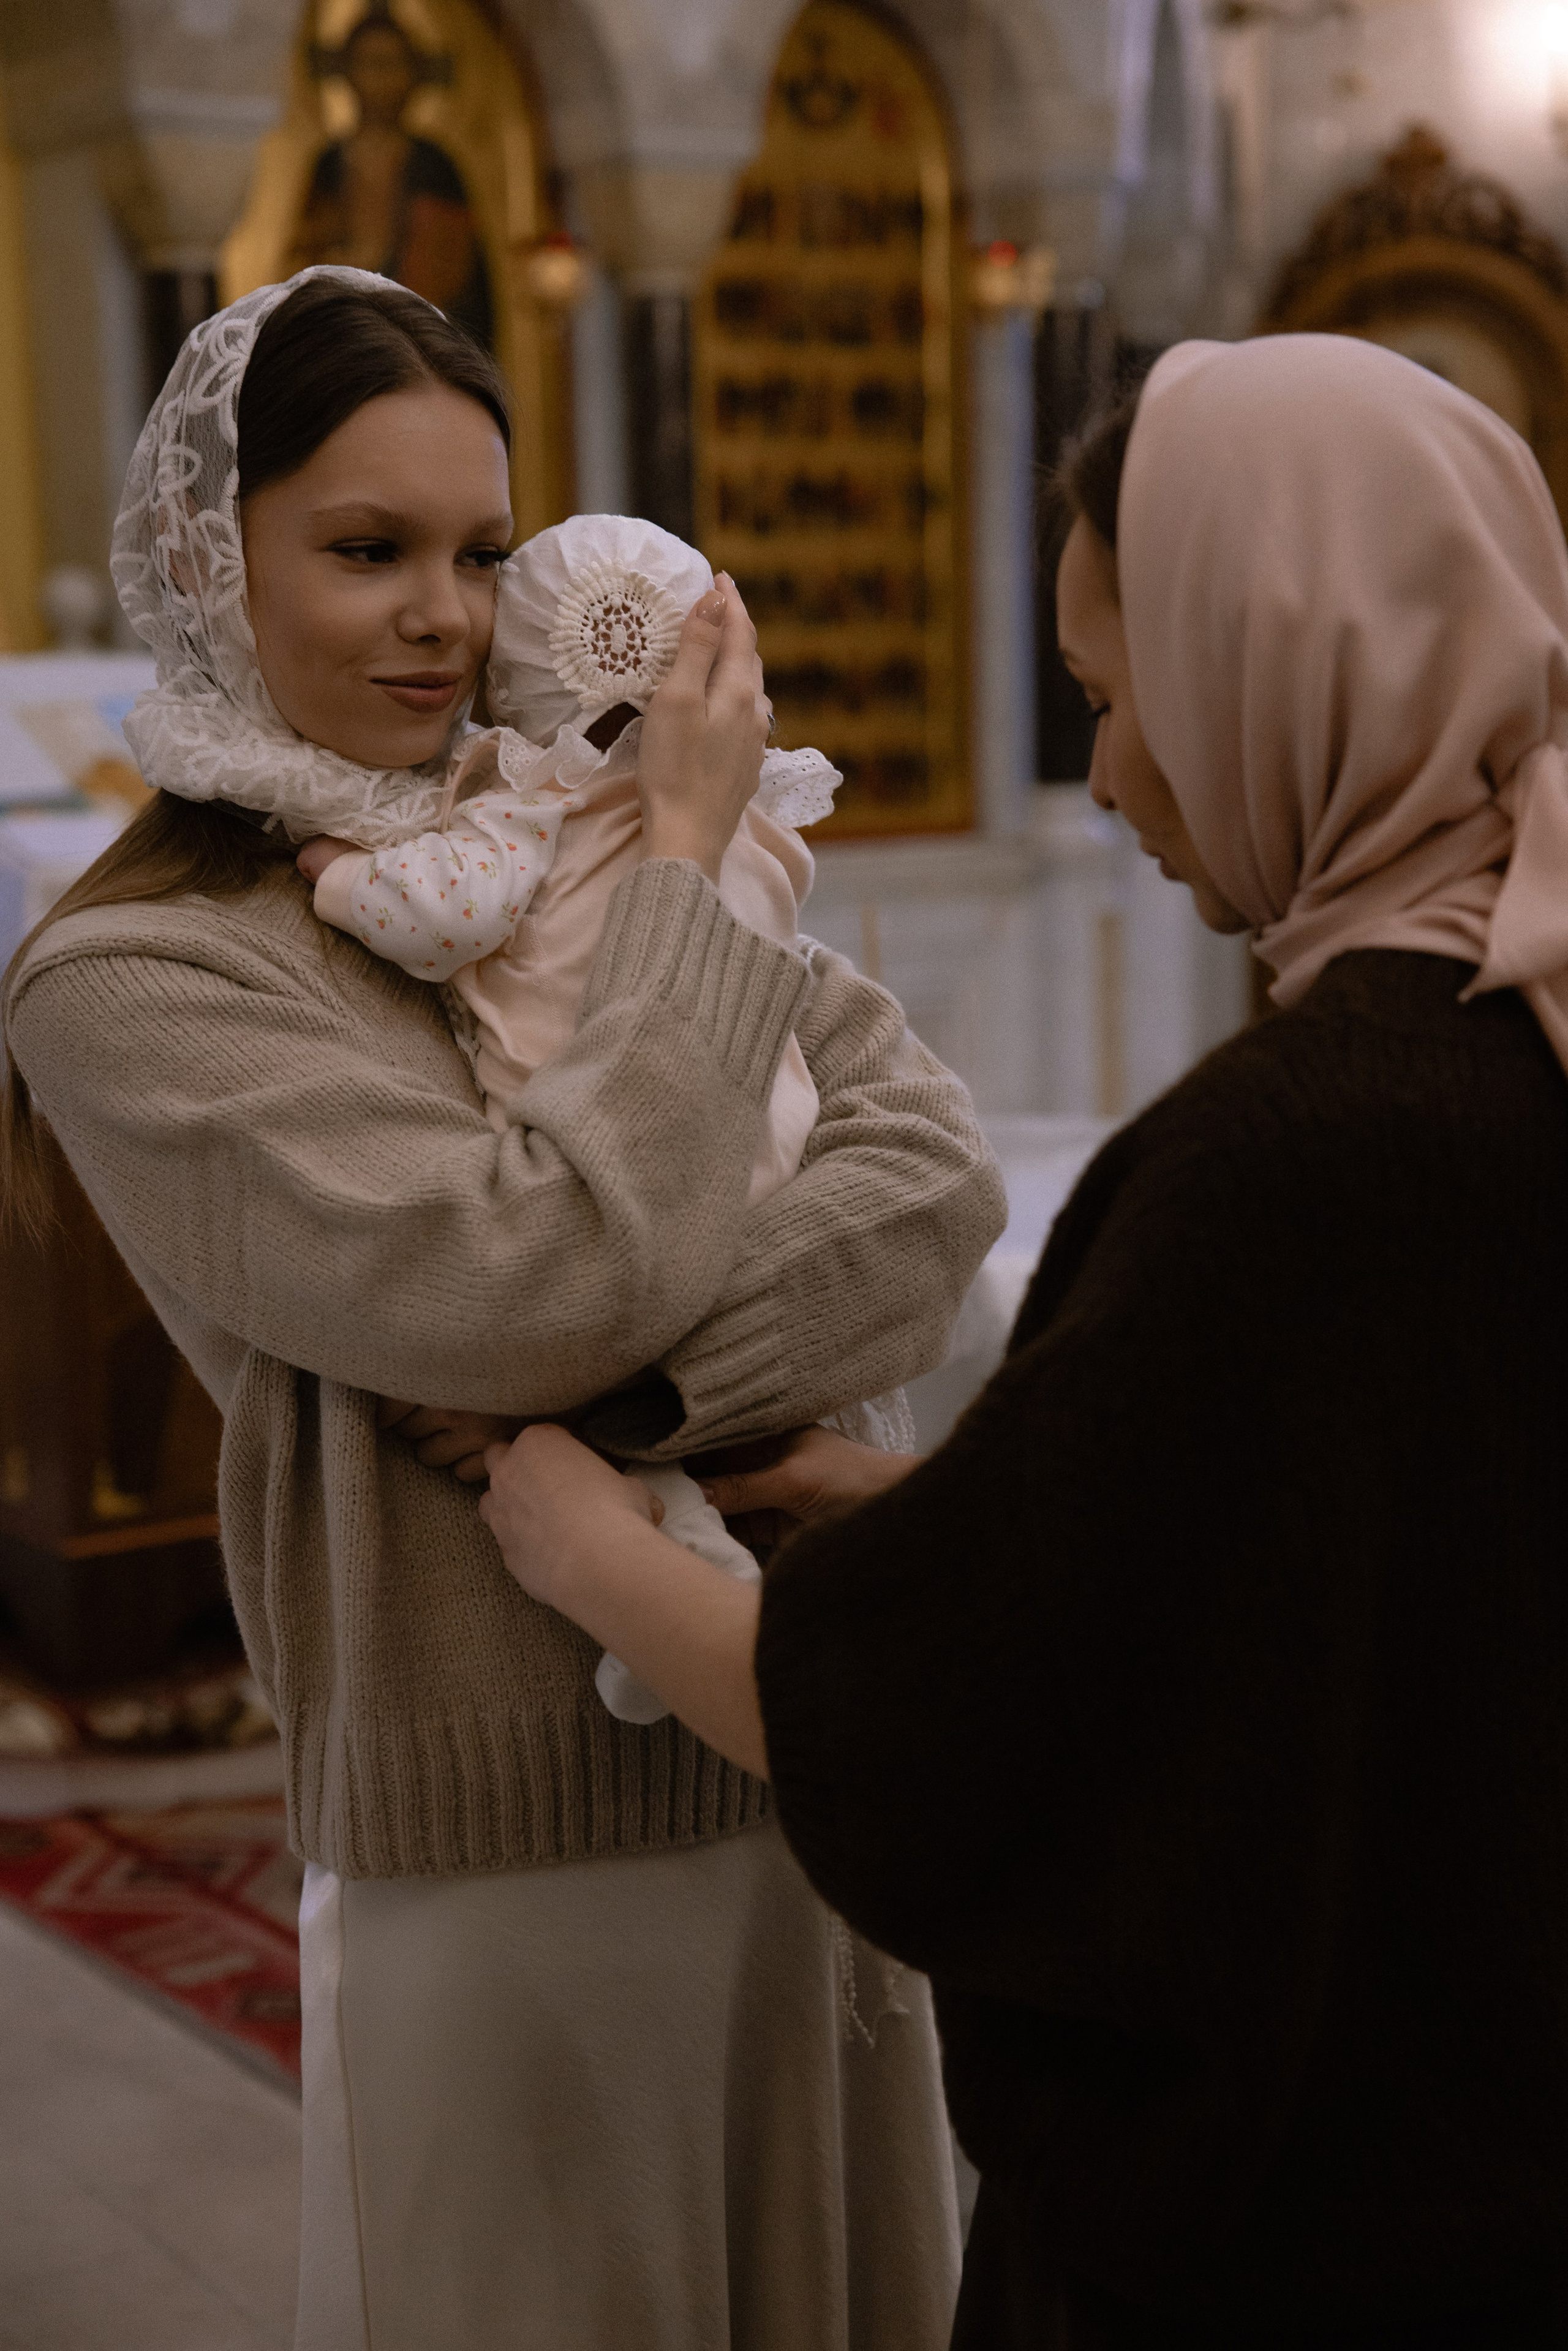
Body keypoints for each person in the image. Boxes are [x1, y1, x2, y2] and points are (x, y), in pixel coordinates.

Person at [476, 332, 1568, 2348]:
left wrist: (592, 1551)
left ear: (1280, 652)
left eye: (1114, 693)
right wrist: (923, 1497)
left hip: (1307, 2235)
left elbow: (974, 1727)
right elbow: (1368, 1587)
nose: (1109, 773)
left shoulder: (1299, 1151)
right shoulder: (1527, 1049)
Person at [0, 266, 1006, 2347]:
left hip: (797, 1721)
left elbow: (928, 1175)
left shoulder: (563, 819)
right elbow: (522, 1275)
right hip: (508, 1840)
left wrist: (637, 1384)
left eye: (478, 549)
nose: (448, 619)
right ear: (218, 561)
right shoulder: (142, 969)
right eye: (364, 550)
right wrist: (680, 887)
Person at [297, 508, 851, 1723]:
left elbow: (438, 915)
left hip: (624, 1167)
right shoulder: (753, 832)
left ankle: (668, 1584)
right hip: (764, 1167)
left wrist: (337, 873)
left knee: (576, 1418)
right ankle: (693, 1584)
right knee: (667, 1418)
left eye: (479, 559)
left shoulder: (529, 807)